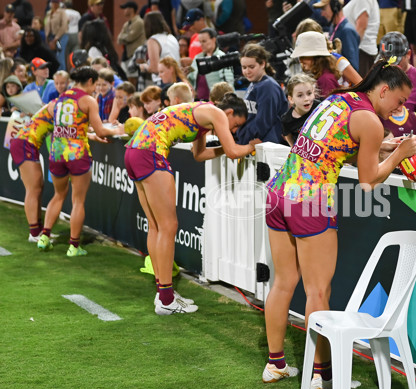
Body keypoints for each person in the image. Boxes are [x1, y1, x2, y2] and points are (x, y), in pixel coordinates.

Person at [262, 59, 416, 389]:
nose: (399, 111)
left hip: (278, 189)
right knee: (318, 291)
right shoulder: (370, 120)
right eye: (398, 102)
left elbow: (336, 144)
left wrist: (382, 147)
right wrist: (398, 155)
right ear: (383, 90)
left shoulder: (338, 99)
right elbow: (368, 182)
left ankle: (275, 364)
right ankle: (322, 375)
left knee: (283, 282)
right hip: (310, 199)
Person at [124, 93, 259, 315]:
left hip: (134, 151)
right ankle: (166, 300)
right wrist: (251, 146)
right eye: (236, 125)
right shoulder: (216, 114)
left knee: (156, 226)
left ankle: (163, 293)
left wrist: (226, 149)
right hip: (151, 153)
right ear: (230, 113)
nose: (234, 130)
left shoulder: (202, 114)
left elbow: (199, 154)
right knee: (168, 227)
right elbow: (235, 151)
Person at [37, 66, 123, 255]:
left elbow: (67, 127)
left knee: (58, 195)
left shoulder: (59, 99)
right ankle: (74, 246)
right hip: (77, 155)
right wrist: (118, 131)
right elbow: (101, 130)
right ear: (90, 81)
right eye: (95, 85)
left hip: (57, 153)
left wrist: (89, 134)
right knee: (78, 201)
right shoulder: (88, 100)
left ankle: (44, 237)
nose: (95, 90)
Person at [8, 98, 57, 242]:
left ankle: (39, 230)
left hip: (27, 144)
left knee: (38, 188)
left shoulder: (57, 105)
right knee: (33, 189)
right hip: (24, 144)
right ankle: (34, 233)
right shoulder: (55, 106)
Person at [235, 43, 289, 145]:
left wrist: (245, 140)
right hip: (254, 144)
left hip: (267, 146)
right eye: (244, 67)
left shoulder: (268, 86)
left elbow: (263, 122)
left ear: (263, 64)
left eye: (251, 67)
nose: (247, 71)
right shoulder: (253, 84)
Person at [378, 31, 416, 118]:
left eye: (395, 61)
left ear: (408, 54)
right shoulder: (376, 76)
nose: (390, 65)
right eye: (385, 60)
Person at [188, 27, 235, 101]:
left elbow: (229, 82)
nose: (201, 44)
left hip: (216, 101)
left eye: (204, 41)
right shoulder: (197, 58)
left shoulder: (222, 57)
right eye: (200, 42)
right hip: (197, 101)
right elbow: (190, 77)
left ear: (213, 39)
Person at [291, 32, 341, 100]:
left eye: (303, 56)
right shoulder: (321, 76)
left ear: (316, 57)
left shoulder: (325, 80)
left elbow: (330, 108)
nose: (300, 60)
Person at [313, 0, 360, 71]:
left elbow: (353, 67)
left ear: (335, 7)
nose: (322, 14)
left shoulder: (347, 31)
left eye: (324, 9)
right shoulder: (334, 27)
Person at [139, 12, 180, 85]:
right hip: (177, 79)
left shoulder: (153, 40)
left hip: (163, 81)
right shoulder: (172, 37)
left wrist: (144, 67)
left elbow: (155, 68)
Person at [342, 0, 380, 76]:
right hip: (362, 52)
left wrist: (352, 51)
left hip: (362, 52)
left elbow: (362, 27)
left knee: (361, 86)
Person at [281, 73, 320, 146]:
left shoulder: (320, 107)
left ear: (313, 93)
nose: (306, 99)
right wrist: (293, 149)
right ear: (291, 99)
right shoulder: (287, 120)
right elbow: (287, 135)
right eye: (300, 95)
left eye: (309, 93)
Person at [117, 1, 146, 86]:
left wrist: (124, 37)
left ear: (131, 9)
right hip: (126, 56)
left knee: (133, 81)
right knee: (124, 79)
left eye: (125, 8)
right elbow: (119, 39)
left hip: (134, 56)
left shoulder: (139, 22)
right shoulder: (126, 24)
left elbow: (130, 37)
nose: (124, 11)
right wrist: (125, 37)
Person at [46, 0, 69, 72]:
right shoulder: (49, 13)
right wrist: (47, 37)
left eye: (56, 2)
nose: (55, 4)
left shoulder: (62, 12)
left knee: (60, 56)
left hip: (61, 36)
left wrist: (56, 38)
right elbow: (46, 25)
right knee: (52, 56)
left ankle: (62, 72)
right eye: (53, 2)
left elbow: (64, 26)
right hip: (51, 36)